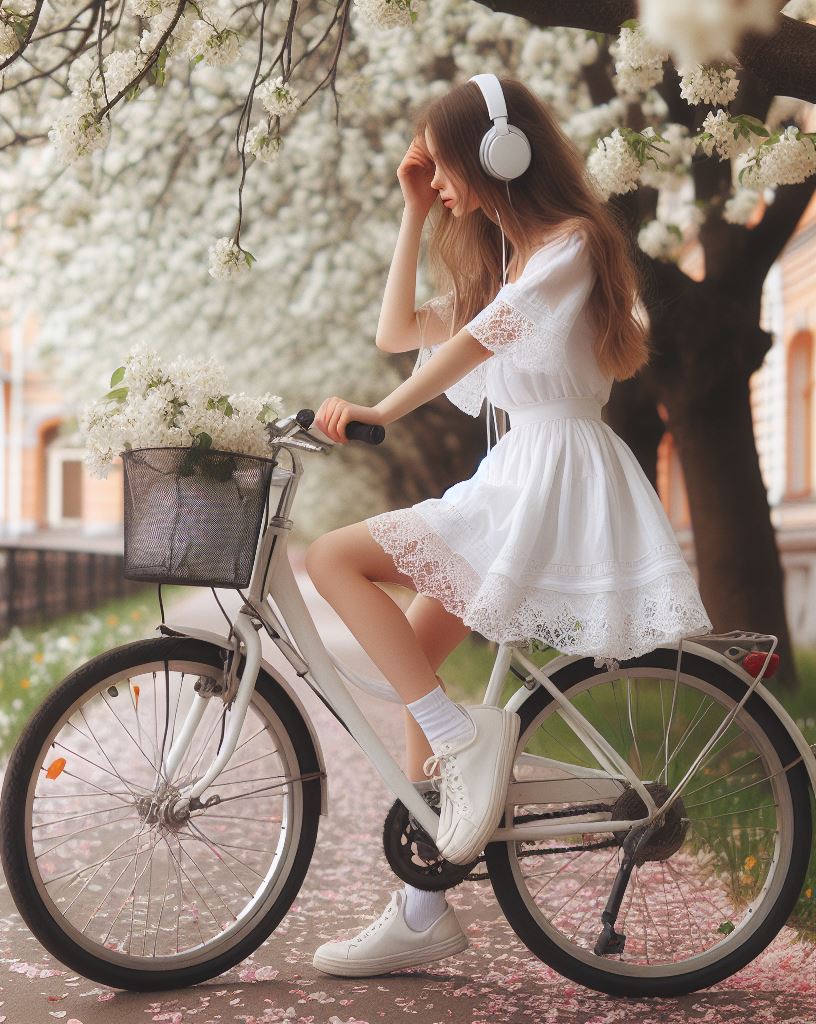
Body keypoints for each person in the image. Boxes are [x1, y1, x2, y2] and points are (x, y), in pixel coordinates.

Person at [303, 72, 714, 977]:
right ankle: (422, 904)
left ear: (502, 153)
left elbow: (475, 344)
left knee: (334, 560)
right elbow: (397, 329)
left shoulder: (571, 245)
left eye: (442, 166)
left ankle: (463, 739)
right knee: (417, 646)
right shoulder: (507, 266)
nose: (440, 181)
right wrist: (413, 214)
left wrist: (385, 411)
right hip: (519, 472)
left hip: (554, 474)